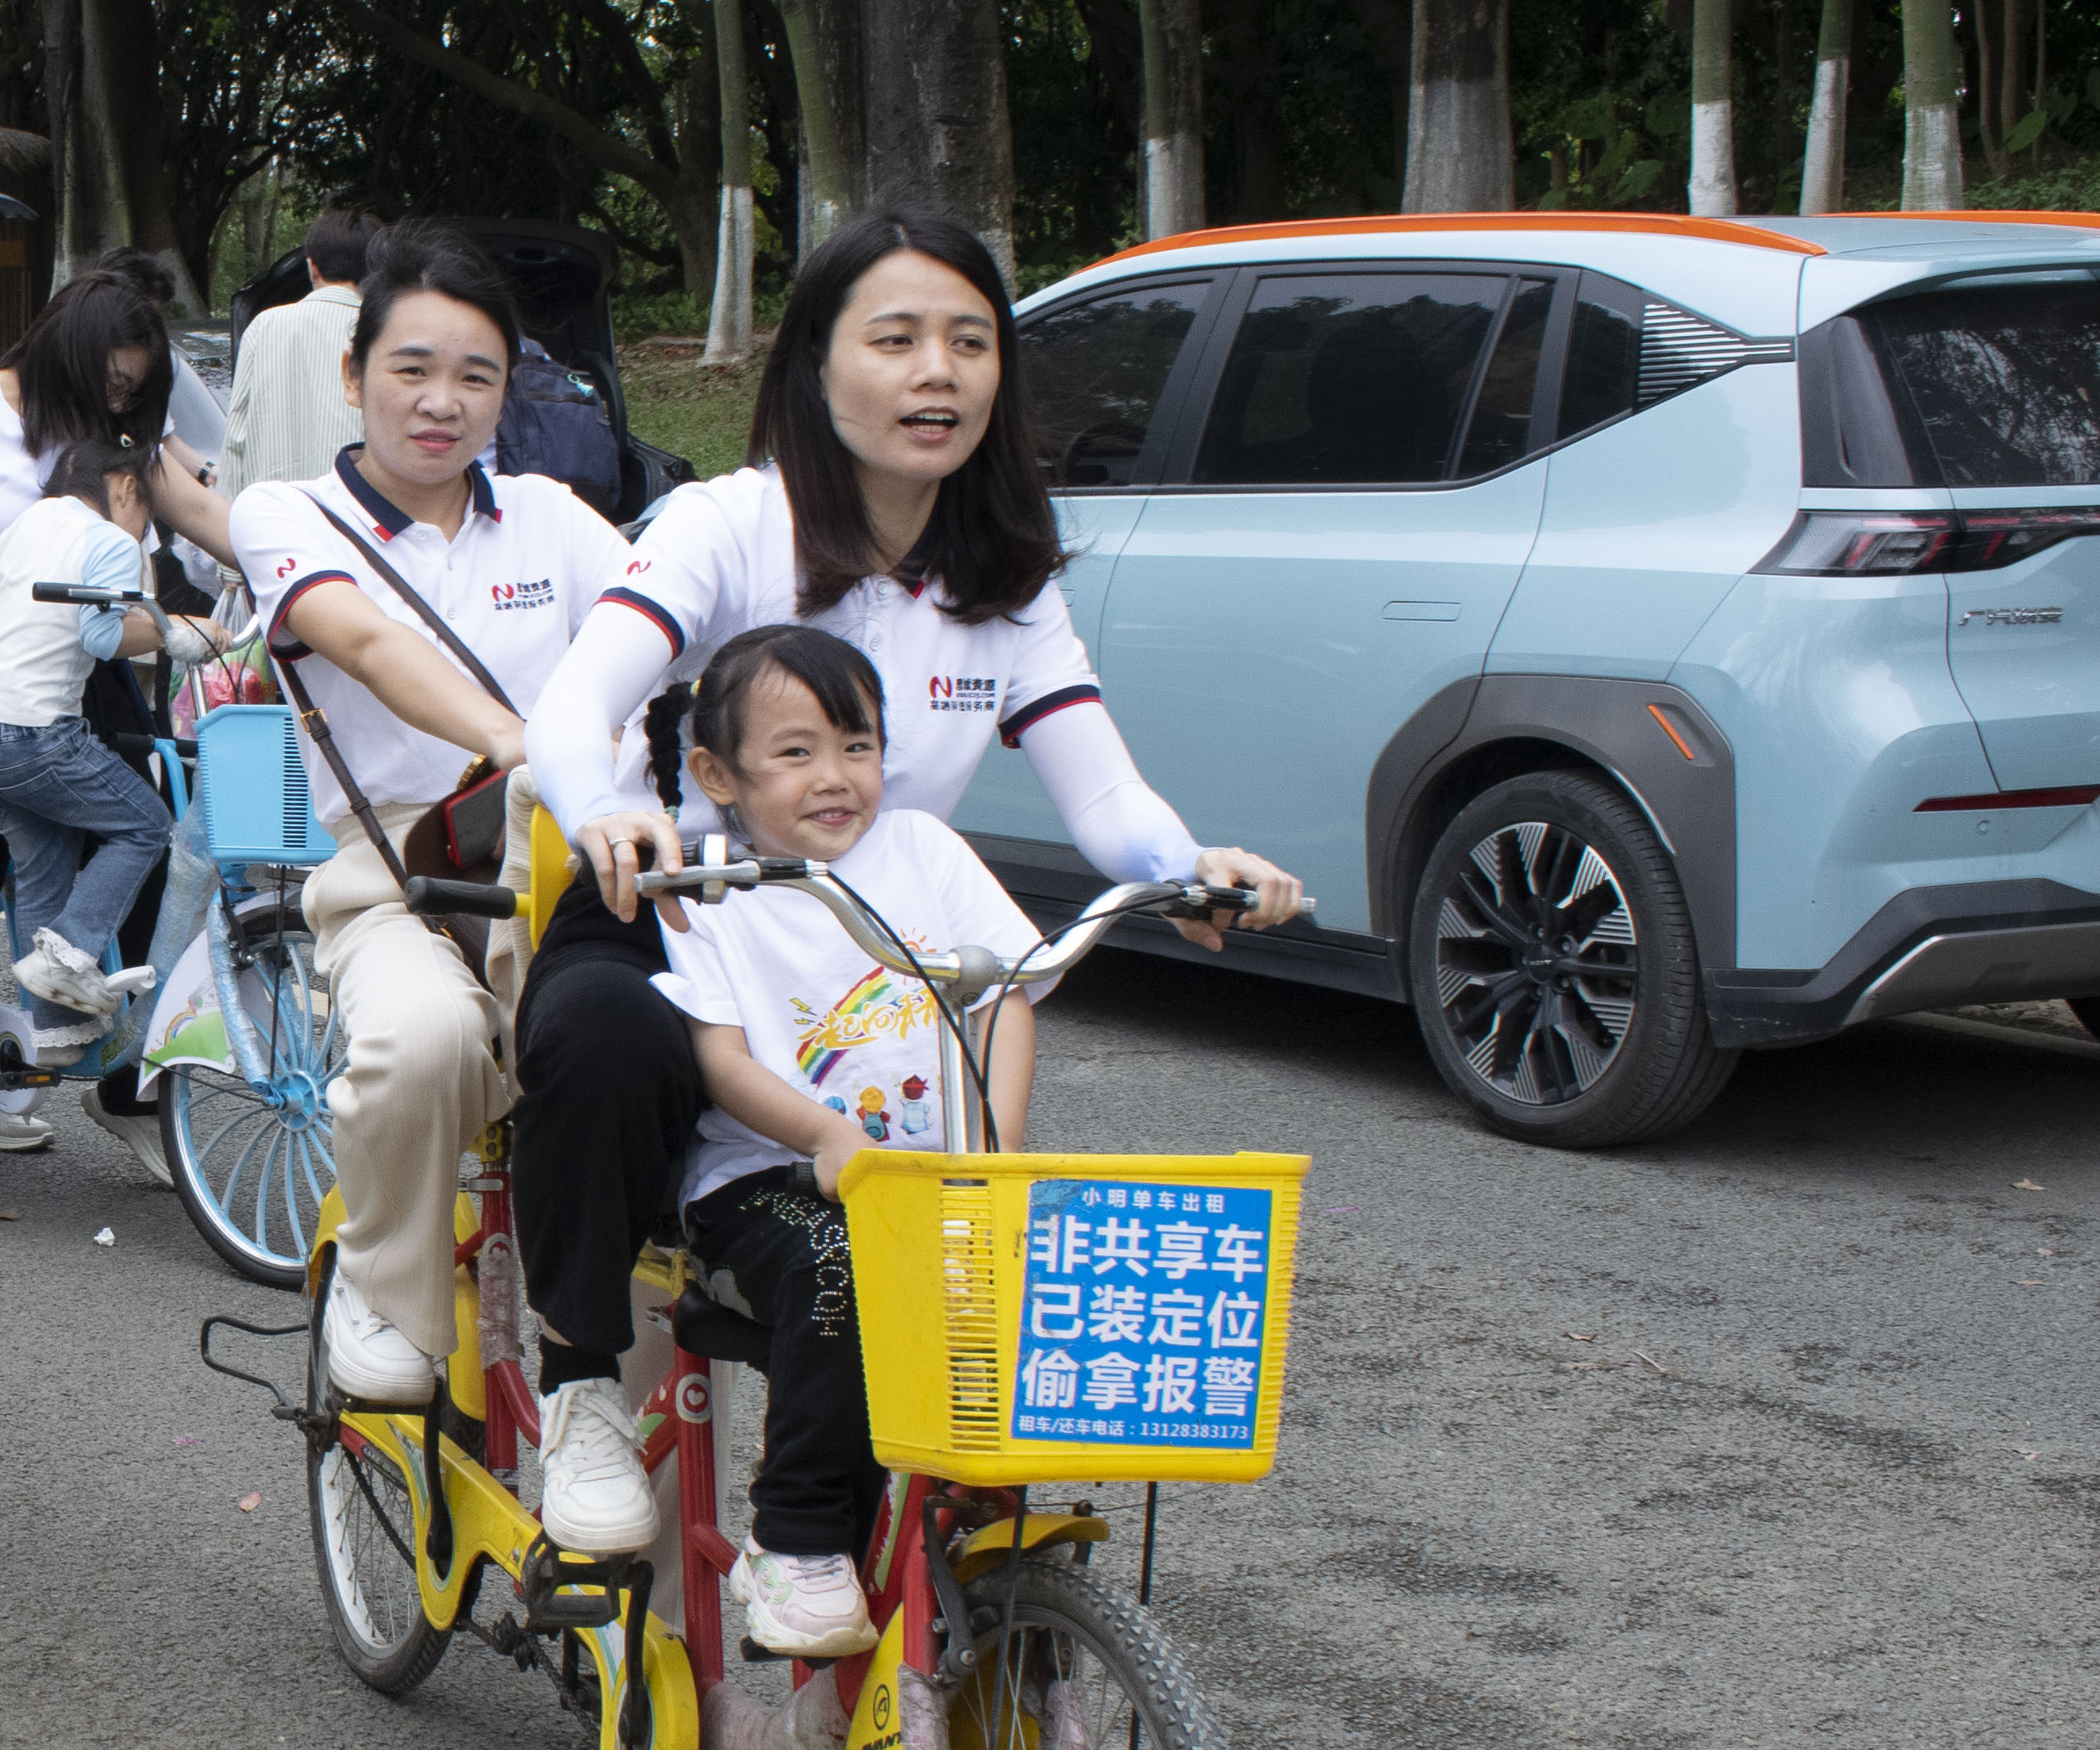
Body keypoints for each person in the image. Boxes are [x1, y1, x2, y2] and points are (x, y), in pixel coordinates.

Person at [508, 208, 1304, 1554]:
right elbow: (572, 708)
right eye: (897, 339)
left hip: (868, 937)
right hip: (683, 906)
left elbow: (1103, 793)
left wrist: (1190, 868)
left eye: (971, 341)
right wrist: (605, 812)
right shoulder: (729, 524)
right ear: (819, 364)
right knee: (595, 1030)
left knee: (966, 1194)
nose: (939, 372)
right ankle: (584, 1374)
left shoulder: (1000, 580)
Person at [224, 226, 641, 1427]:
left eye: (477, 375)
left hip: (577, 853)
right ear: (352, 377)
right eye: (411, 368)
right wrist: (527, 742)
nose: (442, 402)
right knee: (420, 1045)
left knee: (643, 1078)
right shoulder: (285, 511)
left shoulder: (557, 519)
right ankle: (384, 1282)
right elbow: (362, 641)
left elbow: (665, 646)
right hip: (399, 864)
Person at [647, 625, 1037, 1656]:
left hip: (931, 1177)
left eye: (857, 745)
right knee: (843, 1265)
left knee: (1042, 1274)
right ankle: (801, 1538)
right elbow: (724, 1060)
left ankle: (977, 1534)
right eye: (796, 751)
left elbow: (1000, 999)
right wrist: (826, 1136)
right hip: (769, 1176)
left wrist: (989, 1152)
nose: (836, 777)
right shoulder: (711, 886)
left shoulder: (923, 852)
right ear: (715, 773)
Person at [0, 261, 242, 1234]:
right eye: (109, 379)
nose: (119, 400)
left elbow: (211, 523)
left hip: (83, 677)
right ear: (65, 349)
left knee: (138, 892)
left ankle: (123, 1092)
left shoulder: (121, 444)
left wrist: (318, 575)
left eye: (133, 390)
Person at [0, 423, 172, 1071]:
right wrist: (175, 633)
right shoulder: (109, 539)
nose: (145, 532)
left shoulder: (31, 521)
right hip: (37, 734)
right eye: (148, 516)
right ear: (127, 486)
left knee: (44, 865)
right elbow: (104, 640)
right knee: (146, 824)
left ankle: (51, 1029)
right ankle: (74, 953)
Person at [225, 206, 375, 496]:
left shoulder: (264, 325)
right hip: (358, 519)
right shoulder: (383, 332)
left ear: (312, 267)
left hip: (274, 520)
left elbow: (236, 438)